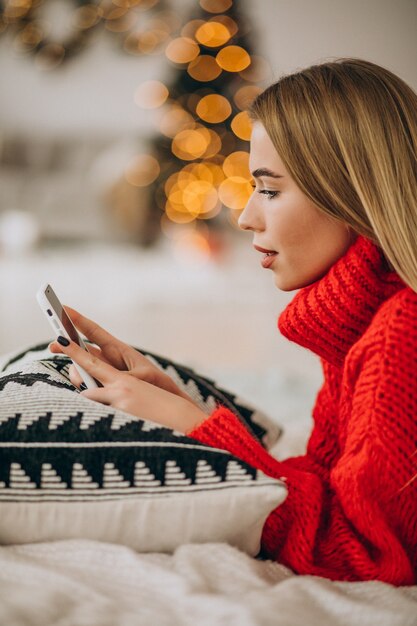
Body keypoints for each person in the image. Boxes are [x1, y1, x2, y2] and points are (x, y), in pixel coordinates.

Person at [50, 58, 417, 585]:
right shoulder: (362, 320)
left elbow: (362, 552)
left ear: (351, 193)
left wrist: (200, 430)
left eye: (268, 190)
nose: (246, 217)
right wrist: (185, 408)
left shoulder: (400, 332)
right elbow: (330, 482)